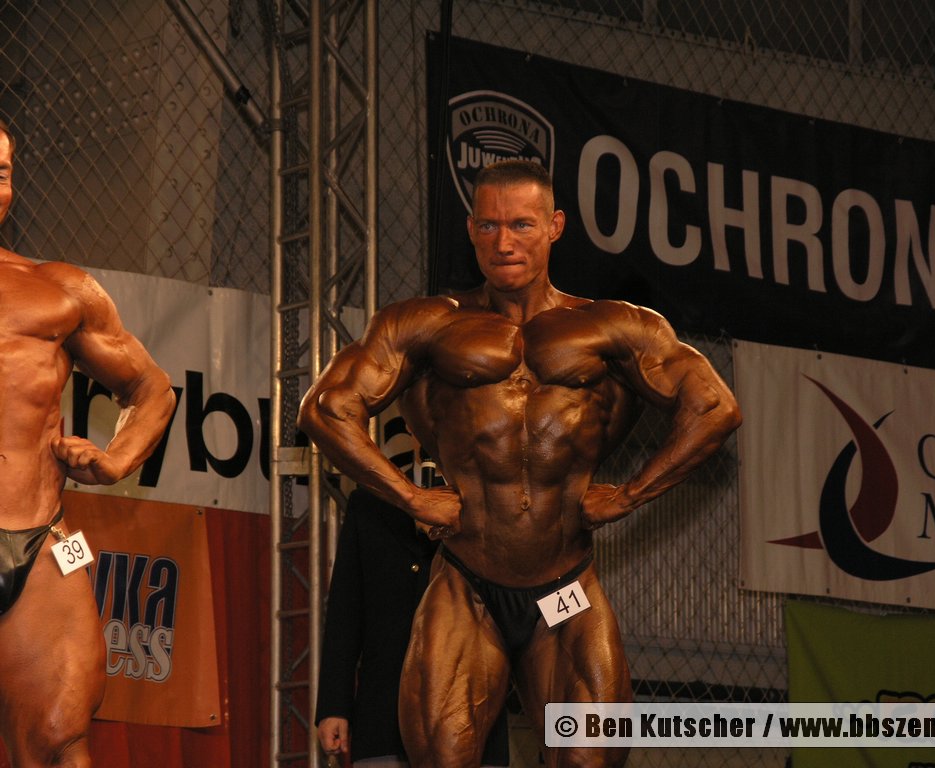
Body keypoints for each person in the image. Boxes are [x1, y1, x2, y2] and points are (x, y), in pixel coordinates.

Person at [298, 159, 742, 767]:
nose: (503, 242)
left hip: (565, 588)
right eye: (488, 226)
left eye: (521, 225)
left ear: (555, 226)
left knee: (589, 759)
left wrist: (631, 494)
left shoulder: (612, 326)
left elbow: (715, 407)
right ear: (470, 229)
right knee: (444, 758)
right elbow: (326, 409)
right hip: (468, 585)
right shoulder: (426, 324)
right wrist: (411, 497)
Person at [0, 119, 176, 767]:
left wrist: (115, 459)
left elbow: (151, 388)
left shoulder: (57, 289)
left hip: (41, 542)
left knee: (61, 744)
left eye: (1, 172)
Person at [315, 485, 509, 767]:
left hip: (475, 717)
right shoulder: (370, 501)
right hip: (384, 719)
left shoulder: (492, 500)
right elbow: (345, 611)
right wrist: (334, 707)